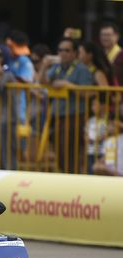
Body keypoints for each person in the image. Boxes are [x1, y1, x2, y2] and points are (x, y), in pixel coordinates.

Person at [39, 37, 94, 171]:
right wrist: (44, 66)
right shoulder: (57, 67)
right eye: (60, 50)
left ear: (75, 53)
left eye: (67, 50)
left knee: (70, 153)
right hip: (57, 115)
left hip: (74, 115)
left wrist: (68, 85)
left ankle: (72, 179)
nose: (62, 53)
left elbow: (89, 93)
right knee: (59, 151)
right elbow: (42, 82)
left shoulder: (82, 70)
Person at [85, 95, 108, 174]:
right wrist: (87, 138)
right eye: (92, 105)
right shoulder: (90, 120)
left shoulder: (108, 120)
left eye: (95, 104)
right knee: (91, 172)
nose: (93, 107)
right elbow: (86, 134)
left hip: (103, 152)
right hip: (91, 152)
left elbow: (108, 135)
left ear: (103, 106)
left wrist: (99, 139)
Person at [99, 21, 123, 85]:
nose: (105, 38)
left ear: (117, 36)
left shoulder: (121, 54)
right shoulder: (99, 54)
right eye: (103, 35)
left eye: (108, 35)